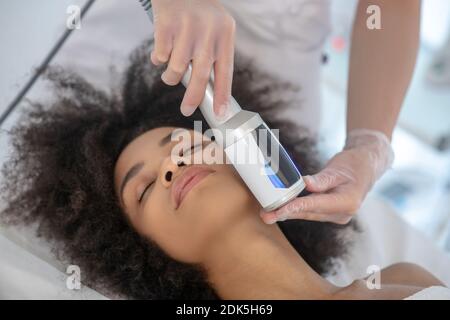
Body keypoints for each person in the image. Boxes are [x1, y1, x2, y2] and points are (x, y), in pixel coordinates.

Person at [0, 41, 446, 299]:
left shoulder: (402, 279)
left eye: (184, 143)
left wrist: (370, 146)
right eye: (145, 188)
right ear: (142, 258)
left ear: (247, 150)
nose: (172, 164)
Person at [149, 0, 421, 224]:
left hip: (288, 100)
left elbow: (393, 6)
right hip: (155, 59)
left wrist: (369, 144)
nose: (172, 170)